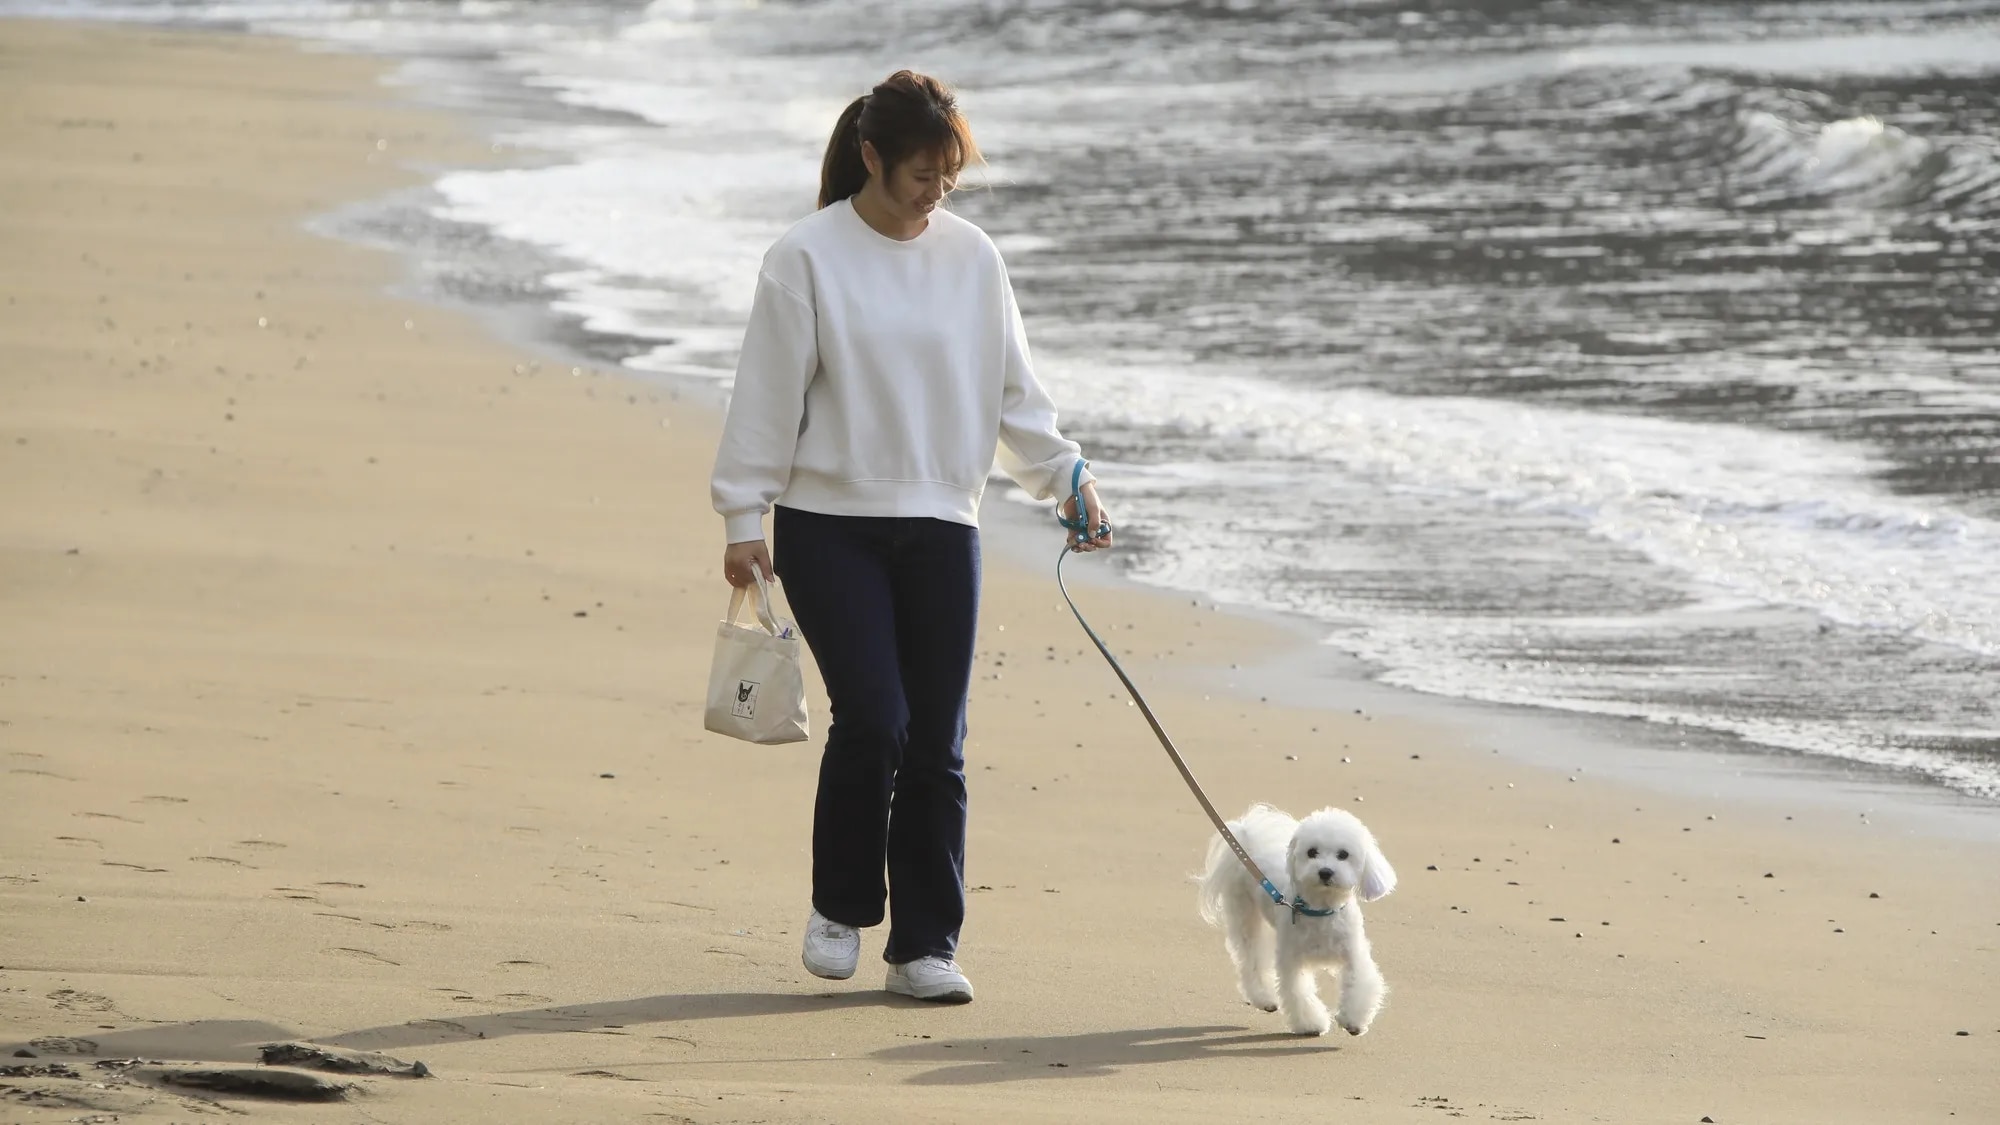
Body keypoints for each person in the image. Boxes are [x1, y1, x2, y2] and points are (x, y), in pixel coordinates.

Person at [709, 69, 1112, 1004]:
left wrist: (1069, 479)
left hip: (941, 523)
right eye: (922, 172)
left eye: (950, 174)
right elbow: (765, 397)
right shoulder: (805, 256)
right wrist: (743, 515)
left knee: (938, 739)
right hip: (826, 525)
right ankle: (840, 907)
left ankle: (926, 944)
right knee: (875, 718)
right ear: (872, 156)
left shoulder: (973, 259)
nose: (937, 190)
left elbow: (1016, 391)